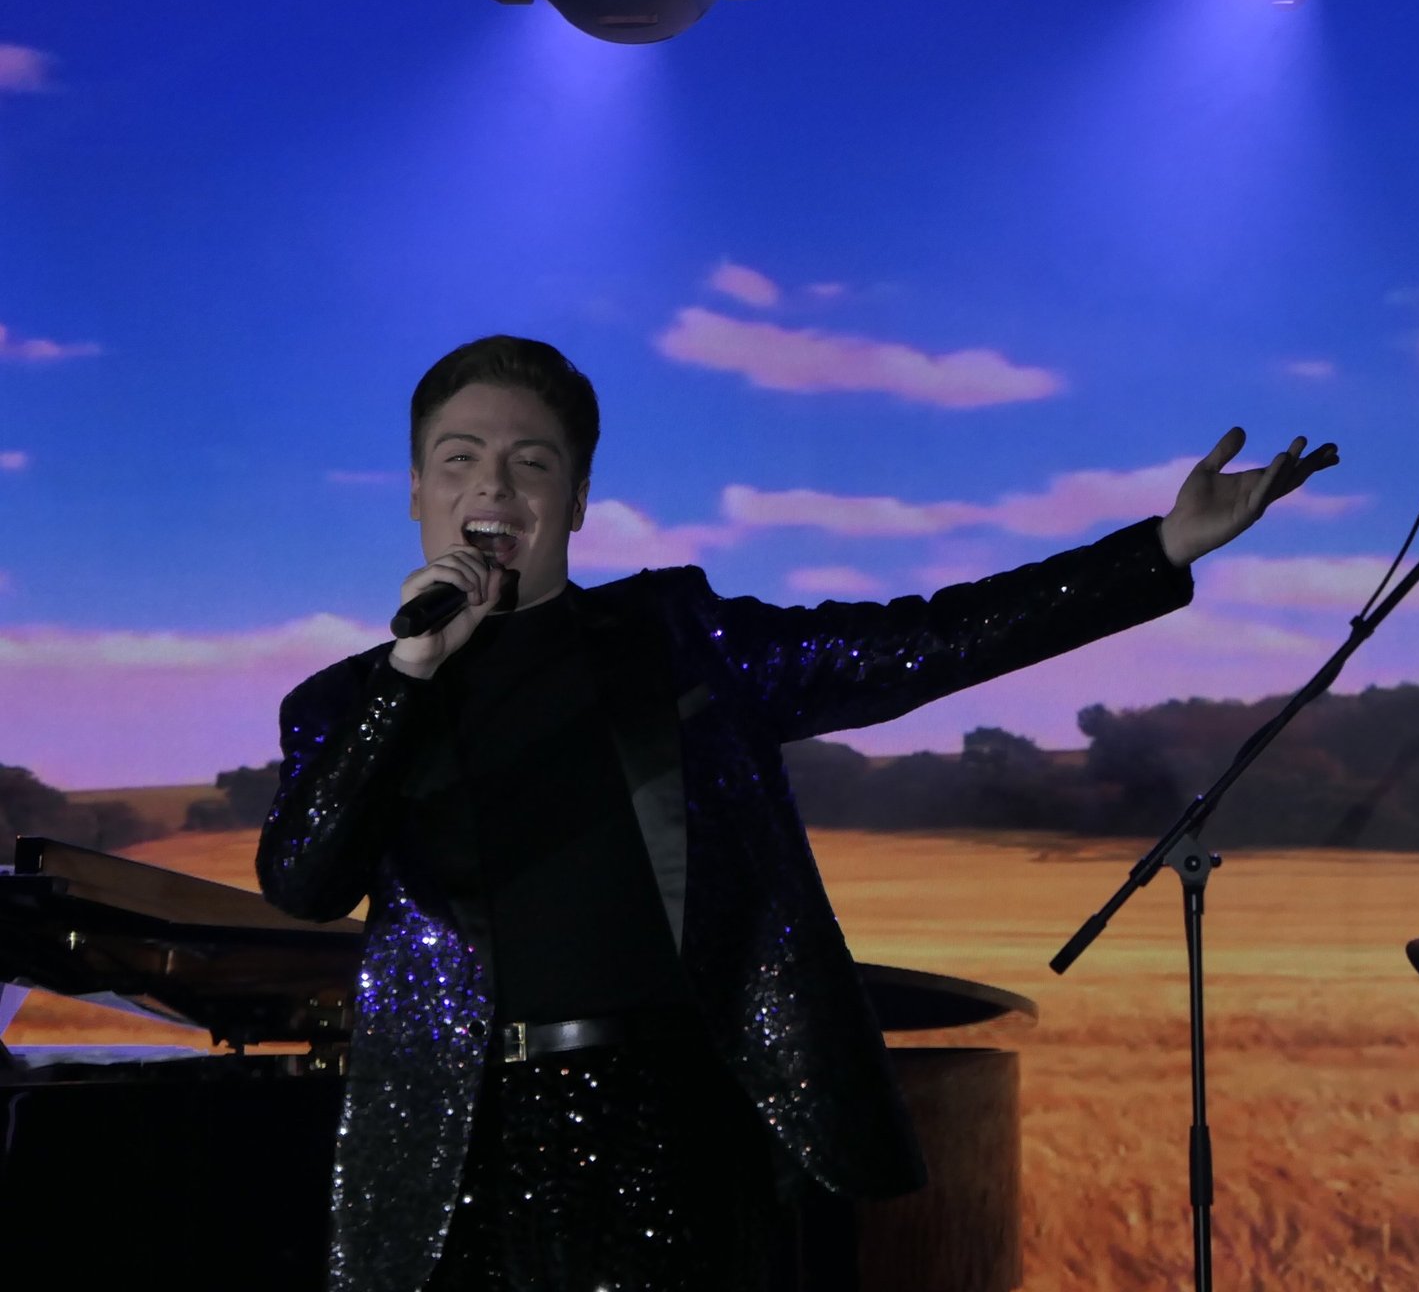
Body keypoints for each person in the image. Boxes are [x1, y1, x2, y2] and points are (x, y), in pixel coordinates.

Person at [256, 335, 1339, 1292]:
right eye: (460, 459)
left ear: (576, 499)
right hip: (455, 1150)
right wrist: (409, 675)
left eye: (531, 461)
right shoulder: (352, 702)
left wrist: (1153, 552)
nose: (493, 484)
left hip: (673, 1133)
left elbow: (916, 644)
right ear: (415, 491)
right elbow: (304, 879)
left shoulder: (676, 638)